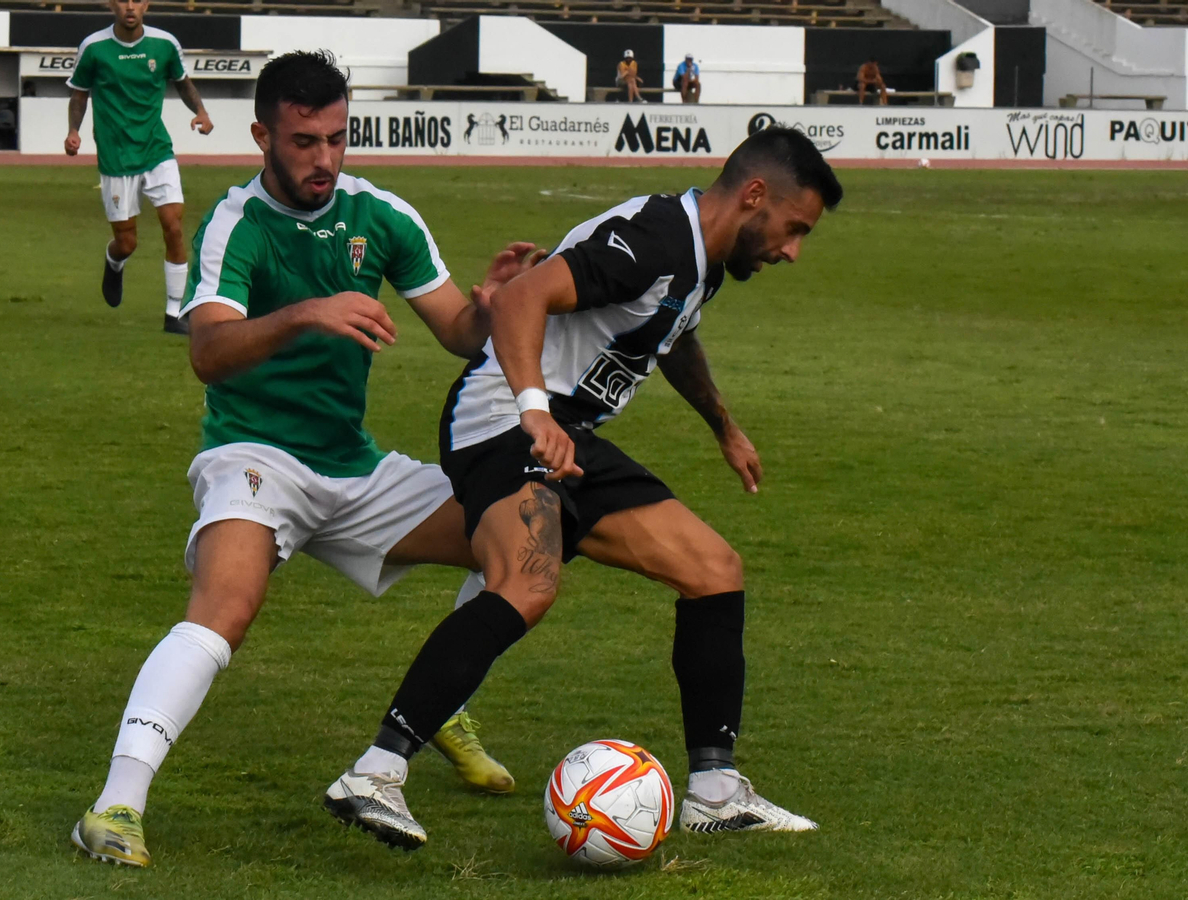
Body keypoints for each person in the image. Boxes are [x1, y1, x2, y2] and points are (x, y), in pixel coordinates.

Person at [69, 50, 540, 868]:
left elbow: (460, 334)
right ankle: (116, 805)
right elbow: (208, 350)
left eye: (336, 137)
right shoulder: (235, 223)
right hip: (255, 456)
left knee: (519, 529)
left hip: (354, 469)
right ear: (262, 135)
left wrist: (492, 305)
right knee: (226, 607)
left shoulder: (381, 214)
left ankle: (447, 702)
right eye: (303, 141)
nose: (324, 159)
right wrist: (306, 314)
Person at [325, 126, 844, 849]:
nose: (791, 249)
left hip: (566, 431)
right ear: (755, 195)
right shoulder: (658, 236)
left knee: (713, 571)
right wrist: (535, 413)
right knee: (526, 584)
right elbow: (520, 300)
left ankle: (716, 792)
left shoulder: (703, 261)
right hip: (502, 419)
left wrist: (724, 427)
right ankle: (374, 773)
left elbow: (670, 334)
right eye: (794, 229)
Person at [64, 0, 214, 334]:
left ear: (146, 5)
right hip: (116, 158)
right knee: (127, 242)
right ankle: (114, 261)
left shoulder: (164, 44)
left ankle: (175, 313)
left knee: (173, 225)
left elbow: (182, 82)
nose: (130, 7)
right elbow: (79, 94)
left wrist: (201, 111)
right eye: (122, 0)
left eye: (137, 0)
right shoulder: (93, 47)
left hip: (156, 151)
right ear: (110, 4)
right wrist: (73, 132)